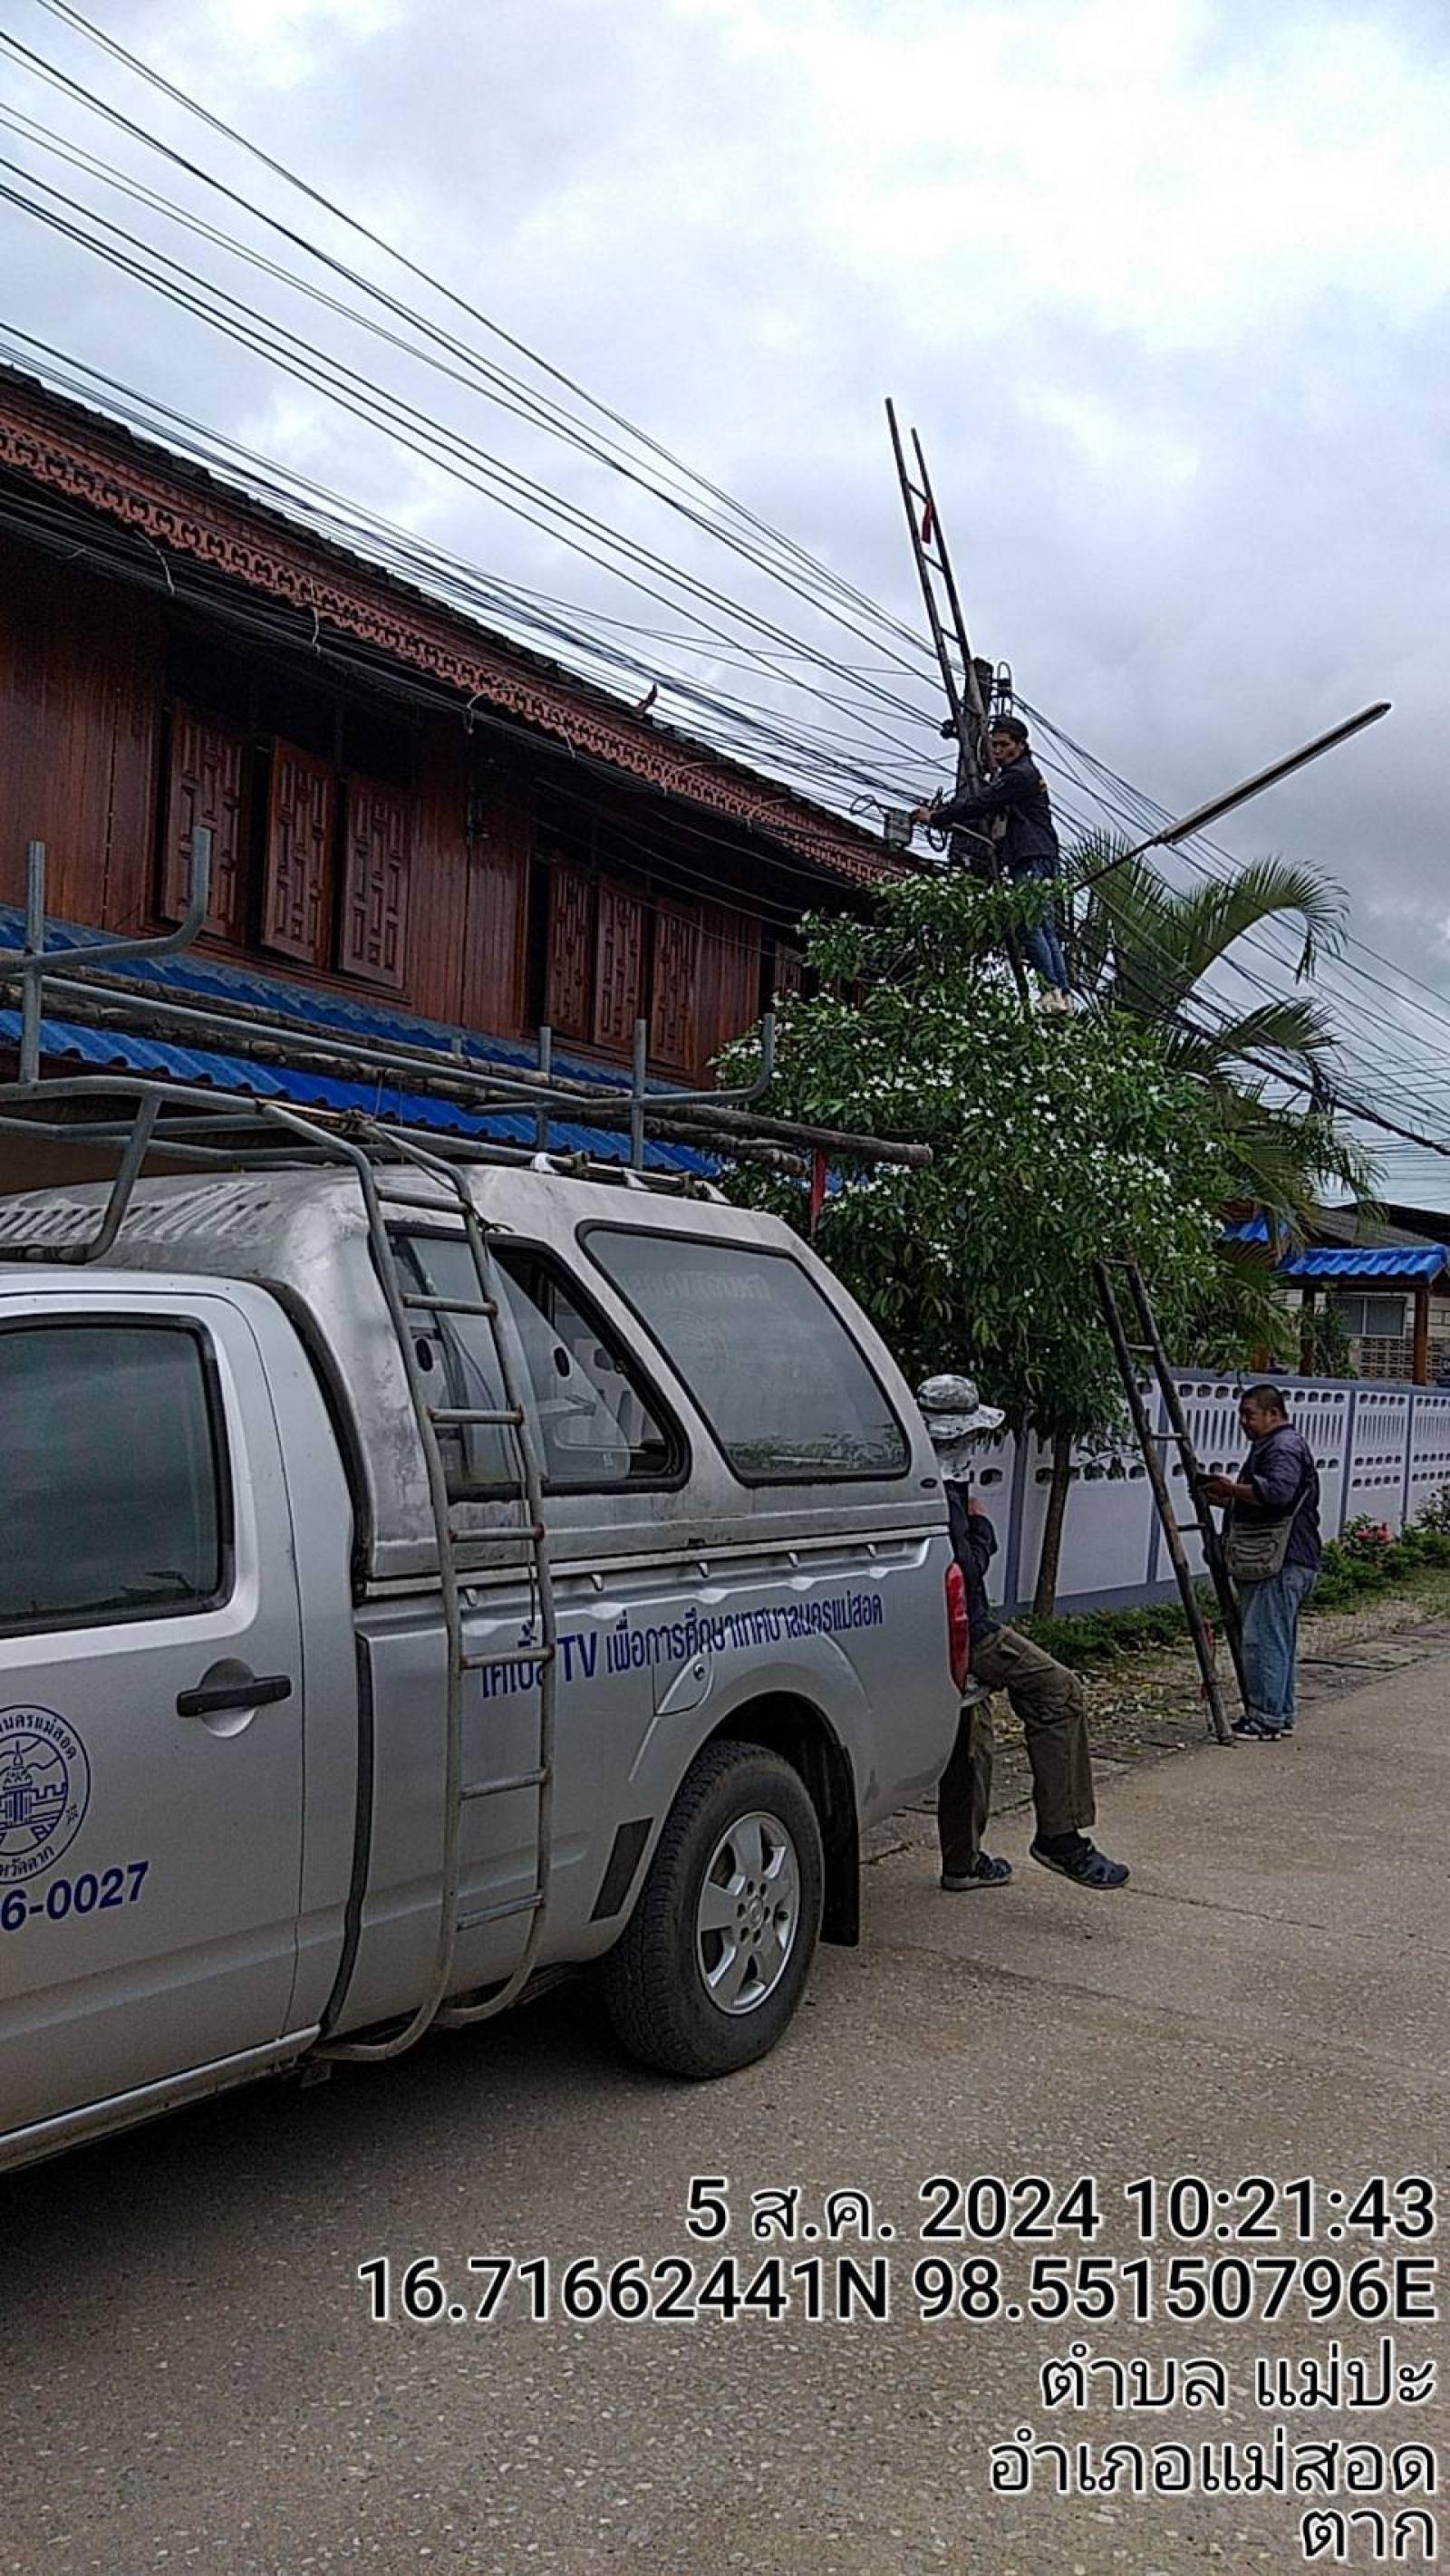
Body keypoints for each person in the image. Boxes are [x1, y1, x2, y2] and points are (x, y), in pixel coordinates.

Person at [918, 1373, 1129, 1891]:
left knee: (971, 1736)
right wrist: (982, 1527)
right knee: (1059, 1691)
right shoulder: (946, 1495)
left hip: (929, 1631)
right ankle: (1061, 1835)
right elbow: (966, 1569)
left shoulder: (915, 1475)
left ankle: (963, 1861)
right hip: (968, 1630)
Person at [908, 715, 1071, 1002]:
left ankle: (1050, 991)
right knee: (1045, 926)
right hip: (1043, 853)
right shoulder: (1024, 774)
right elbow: (985, 808)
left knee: (1030, 925)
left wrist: (935, 817)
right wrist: (946, 817)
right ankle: (1061, 993)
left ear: (1021, 745)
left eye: (1004, 745)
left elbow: (981, 803)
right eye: (994, 745)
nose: (997, 751)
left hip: (1029, 854)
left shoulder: (1018, 776)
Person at [1203, 1384, 1322, 1741]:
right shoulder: (1279, 1445)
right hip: (1289, 1559)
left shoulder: (1282, 1447)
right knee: (1277, 1638)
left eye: (1249, 1414)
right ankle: (1277, 1713)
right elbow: (1268, 1498)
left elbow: (1277, 1493)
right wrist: (1227, 1498)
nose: (1243, 1421)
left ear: (1273, 1413)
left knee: (1263, 1640)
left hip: (1278, 1561)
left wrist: (1230, 1489)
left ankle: (1266, 1717)